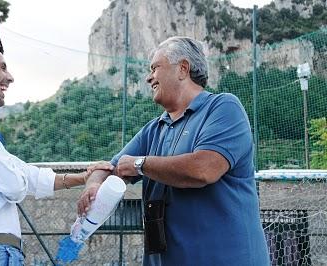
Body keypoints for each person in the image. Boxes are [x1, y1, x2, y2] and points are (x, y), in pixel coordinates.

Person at [79, 36, 270, 265]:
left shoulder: (223, 107)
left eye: (155, 68)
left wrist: (140, 164)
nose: (149, 78)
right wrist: (94, 184)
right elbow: (112, 168)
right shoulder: (154, 129)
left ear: (183, 68)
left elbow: (204, 170)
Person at [0, 38, 112, 265]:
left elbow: (22, 173)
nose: (10, 77)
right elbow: (15, 186)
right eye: (2, 67)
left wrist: (83, 177)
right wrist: (14, 175)